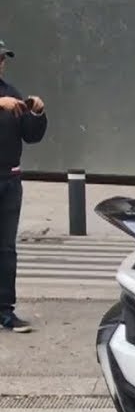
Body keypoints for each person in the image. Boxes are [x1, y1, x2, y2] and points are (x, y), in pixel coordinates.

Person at [0, 38, 48, 334]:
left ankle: (5, 311)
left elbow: (31, 135)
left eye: (3, 58)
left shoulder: (11, 93)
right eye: (0, 57)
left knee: (6, 249)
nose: (2, 62)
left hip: (9, 181)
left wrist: (38, 113)